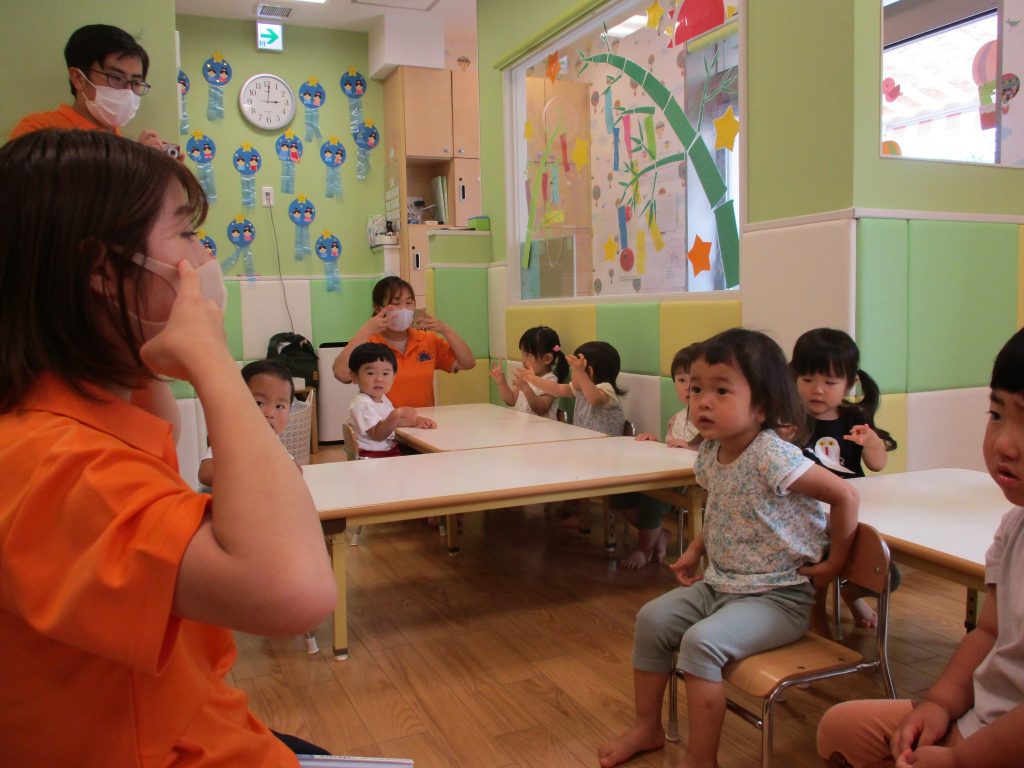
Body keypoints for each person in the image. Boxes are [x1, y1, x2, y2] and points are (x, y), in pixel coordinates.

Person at [0, 129, 336, 765]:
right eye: (185, 234)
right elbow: (295, 591)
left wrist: (152, 355)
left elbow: (161, 436)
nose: (203, 257)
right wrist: (211, 358)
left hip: (199, 723)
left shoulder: (85, 410)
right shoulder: (51, 462)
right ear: (103, 269)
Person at [597, 328, 859, 768]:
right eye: (696, 388)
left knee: (701, 643)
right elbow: (725, 508)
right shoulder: (710, 452)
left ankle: (703, 759)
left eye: (721, 390)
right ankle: (647, 727)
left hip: (778, 596)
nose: (702, 401)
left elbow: (845, 496)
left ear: (762, 406)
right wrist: (696, 548)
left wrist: (835, 562)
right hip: (723, 584)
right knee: (651, 619)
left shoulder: (772, 455)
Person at [817, 326, 1024, 768]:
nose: (1005, 443)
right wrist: (939, 703)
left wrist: (960, 760)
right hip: (980, 717)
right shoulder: (1014, 527)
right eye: (997, 414)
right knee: (840, 729)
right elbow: (988, 632)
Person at [791, 328, 899, 629]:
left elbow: (877, 465)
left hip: (851, 511)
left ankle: (853, 595)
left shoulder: (854, 418)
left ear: (849, 384)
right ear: (794, 377)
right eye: (808, 379)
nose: (817, 390)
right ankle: (817, 623)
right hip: (809, 515)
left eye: (830, 382)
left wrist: (872, 442)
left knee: (886, 572)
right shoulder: (790, 419)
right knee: (817, 567)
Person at [613, 343, 704, 569]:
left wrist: (691, 447)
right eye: (681, 380)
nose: (687, 387)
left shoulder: (711, 418)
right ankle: (657, 533)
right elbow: (672, 448)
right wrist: (656, 442)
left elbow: (715, 451)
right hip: (671, 475)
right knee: (619, 496)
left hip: (694, 481)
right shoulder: (678, 418)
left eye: (694, 381)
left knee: (652, 501)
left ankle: (643, 548)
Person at [9, 24, 164, 148]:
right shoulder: (38, 131)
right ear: (78, 78)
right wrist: (135, 166)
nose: (128, 92)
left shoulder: (116, 138)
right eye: (116, 78)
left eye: (136, 83)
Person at [331, 276, 475, 408]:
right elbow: (341, 374)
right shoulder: (368, 343)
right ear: (378, 308)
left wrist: (446, 330)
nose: (404, 309)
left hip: (422, 425)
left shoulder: (427, 339)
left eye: (409, 303)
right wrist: (365, 330)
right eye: (396, 303)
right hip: (382, 429)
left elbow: (467, 363)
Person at [198, 359, 303, 487]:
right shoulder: (230, 437)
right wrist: (254, 473)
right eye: (259, 403)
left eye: (280, 406)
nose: (270, 413)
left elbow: (296, 471)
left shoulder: (273, 442)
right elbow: (206, 473)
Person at [347, 341, 436, 457]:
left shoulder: (382, 399)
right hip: (373, 456)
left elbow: (391, 423)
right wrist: (397, 413)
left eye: (385, 373)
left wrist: (415, 421)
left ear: (393, 377)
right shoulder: (361, 404)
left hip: (388, 450)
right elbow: (378, 435)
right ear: (354, 377)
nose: (379, 379)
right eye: (370, 373)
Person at [490, 325, 568, 419]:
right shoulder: (526, 377)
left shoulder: (550, 381)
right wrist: (501, 382)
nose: (523, 360)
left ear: (547, 358)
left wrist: (526, 389)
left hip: (542, 431)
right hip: (524, 430)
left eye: (528, 355)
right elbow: (511, 400)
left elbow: (541, 408)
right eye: (523, 355)